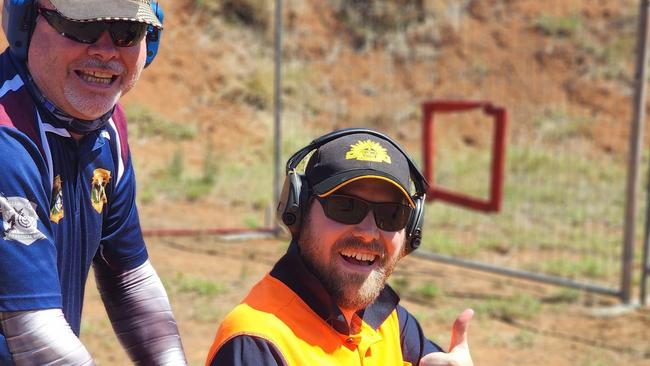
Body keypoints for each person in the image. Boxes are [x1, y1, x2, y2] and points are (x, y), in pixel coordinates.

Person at [0, 0, 186, 364]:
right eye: (81, 27)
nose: (105, 51)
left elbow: (129, 279)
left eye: (126, 32)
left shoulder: (107, 128)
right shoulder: (6, 139)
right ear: (24, 25)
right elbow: (36, 340)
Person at [206, 128, 473, 365]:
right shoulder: (259, 342)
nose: (368, 233)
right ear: (298, 211)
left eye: (392, 214)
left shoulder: (391, 323)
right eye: (345, 207)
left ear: (411, 230)